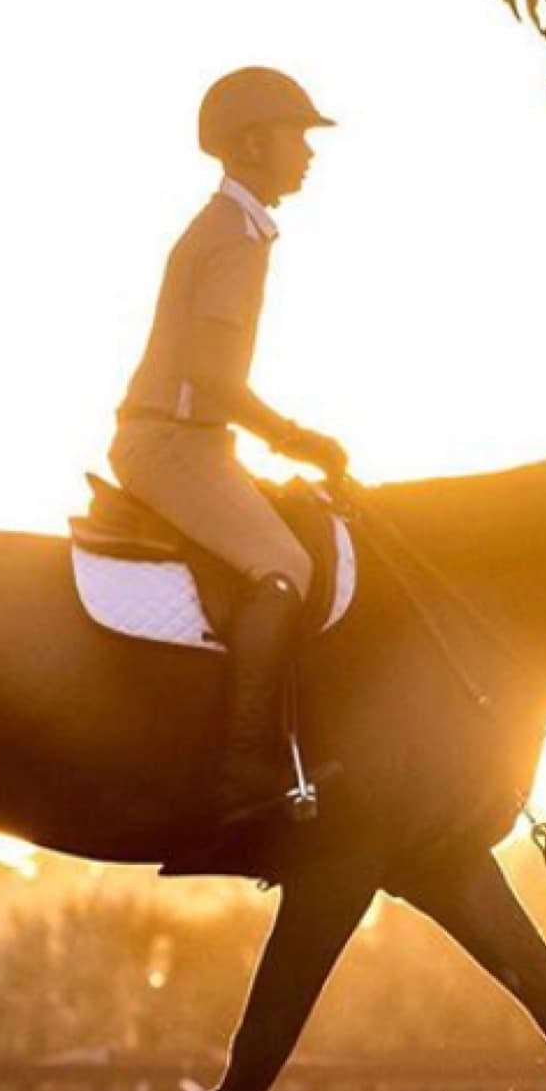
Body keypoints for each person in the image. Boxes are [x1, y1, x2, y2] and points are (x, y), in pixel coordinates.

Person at [109, 66, 349, 829]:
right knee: (285, 567)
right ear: (253, 143)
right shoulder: (234, 237)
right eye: (296, 135)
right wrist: (298, 440)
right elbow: (213, 381)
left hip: (196, 441)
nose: (308, 152)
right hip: (173, 441)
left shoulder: (238, 228)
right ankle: (244, 764)